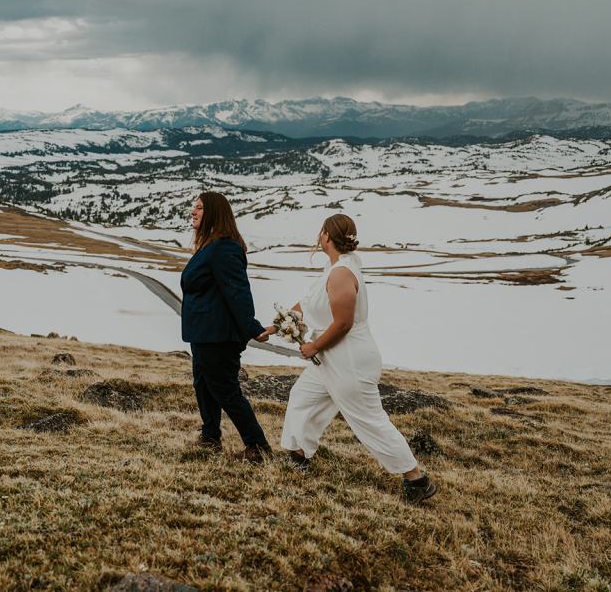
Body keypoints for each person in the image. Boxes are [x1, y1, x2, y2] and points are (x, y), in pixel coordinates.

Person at [267, 213, 438, 504]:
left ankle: (416, 478)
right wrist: (276, 326)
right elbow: (309, 303)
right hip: (333, 357)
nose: (318, 237)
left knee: (368, 420)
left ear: (327, 237)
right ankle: (298, 455)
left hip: (350, 358)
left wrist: (314, 346)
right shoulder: (335, 267)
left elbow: (343, 322)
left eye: (321, 232)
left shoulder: (342, 273)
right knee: (303, 398)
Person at [180, 191, 274, 463]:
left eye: (199, 208)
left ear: (214, 213)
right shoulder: (210, 245)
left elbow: (237, 291)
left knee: (225, 389)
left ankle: (258, 447)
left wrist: (252, 327)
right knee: (203, 384)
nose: (193, 212)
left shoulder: (224, 247)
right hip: (204, 333)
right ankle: (210, 437)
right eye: (193, 208)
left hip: (218, 335)